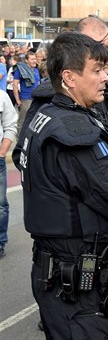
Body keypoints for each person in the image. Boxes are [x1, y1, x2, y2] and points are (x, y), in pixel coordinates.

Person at [12, 31, 108, 339]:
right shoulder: (73, 128)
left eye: (106, 69)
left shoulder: (42, 112)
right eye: (97, 70)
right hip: (78, 283)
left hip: (59, 272)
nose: (106, 77)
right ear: (69, 77)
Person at [0, 90, 17, 259]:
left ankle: (0, 242)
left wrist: (2, 152)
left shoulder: (2, 96)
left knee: (0, 204)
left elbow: (11, 124)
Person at [13, 51, 41, 134]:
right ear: (26, 60)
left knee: (34, 121)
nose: (34, 61)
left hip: (36, 99)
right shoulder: (20, 70)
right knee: (22, 122)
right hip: (26, 99)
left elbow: (39, 84)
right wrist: (18, 100)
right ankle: (19, 143)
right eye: (32, 59)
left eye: (35, 59)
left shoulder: (36, 70)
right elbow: (15, 85)